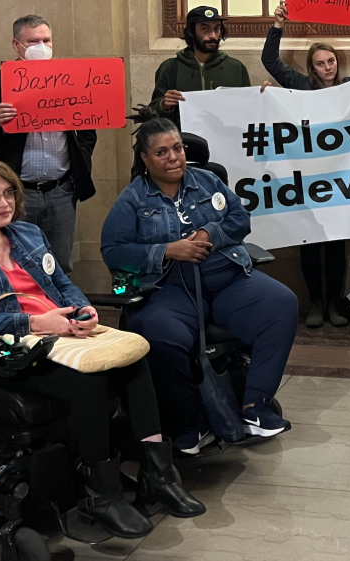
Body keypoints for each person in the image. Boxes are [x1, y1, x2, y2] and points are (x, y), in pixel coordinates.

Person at [0, 158, 205, 539]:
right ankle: (100, 493)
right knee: (88, 380)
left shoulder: (27, 235)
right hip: (6, 354)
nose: (3, 202)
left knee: (135, 362)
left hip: (61, 336)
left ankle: (159, 473)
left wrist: (84, 309)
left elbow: (62, 287)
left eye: (7, 193)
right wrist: (34, 323)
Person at [100, 118, 299, 455]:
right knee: (158, 333)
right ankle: (194, 422)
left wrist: (210, 234)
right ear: (146, 159)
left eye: (177, 148)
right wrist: (166, 250)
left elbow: (240, 219)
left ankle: (255, 408)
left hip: (227, 279)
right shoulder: (132, 199)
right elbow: (114, 252)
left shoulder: (207, 181)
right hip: (170, 288)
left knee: (281, 303)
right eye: (161, 152)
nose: (173, 157)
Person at [262, 0, 350, 327]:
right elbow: (270, 61)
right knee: (310, 245)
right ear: (312, 67)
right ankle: (316, 303)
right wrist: (278, 24)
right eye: (321, 63)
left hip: (340, 182)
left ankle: (336, 303)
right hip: (307, 181)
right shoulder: (300, 87)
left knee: (336, 245)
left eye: (331, 61)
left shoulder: (349, 89)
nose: (327, 67)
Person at [0, 15, 97, 274]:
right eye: (33, 41)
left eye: (46, 40)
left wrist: (81, 160)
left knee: (59, 265)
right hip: (15, 192)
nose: (41, 46)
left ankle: (60, 312)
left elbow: (89, 128)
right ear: (16, 45)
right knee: (14, 263)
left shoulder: (71, 82)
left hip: (60, 190)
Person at [149, 5, 251, 127]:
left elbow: (248, 110)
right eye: (205, 29)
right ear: (192, 31)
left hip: (226, 142)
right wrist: (164, 105)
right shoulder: (170, 68)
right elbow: (152, 114)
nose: (213, 35)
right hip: (184, 143)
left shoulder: (236, 68)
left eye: (217, 29)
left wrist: (264, 95)